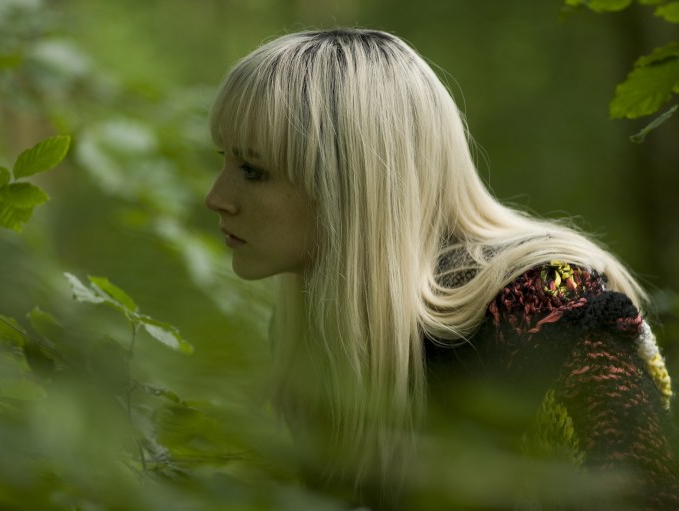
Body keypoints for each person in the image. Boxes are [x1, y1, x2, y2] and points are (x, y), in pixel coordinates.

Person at [204, 28, 678, 509]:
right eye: (225, 160)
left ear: (349, 184)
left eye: (253, 171)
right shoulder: (312, 318)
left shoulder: (548, 308)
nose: (216, 198)